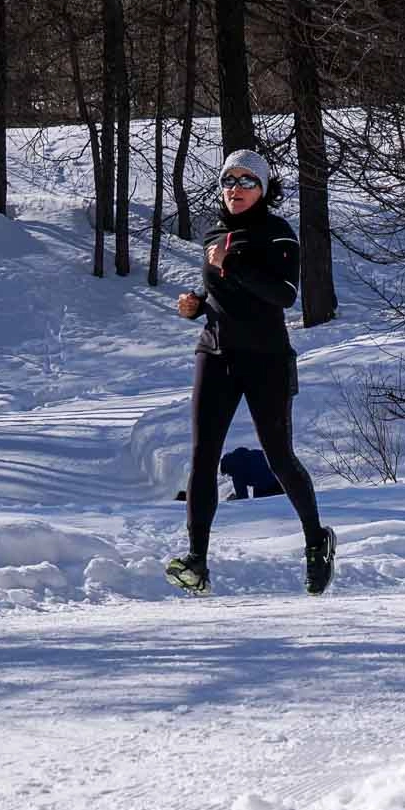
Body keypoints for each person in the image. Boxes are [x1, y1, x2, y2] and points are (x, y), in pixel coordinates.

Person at [165, 149, 335, 596]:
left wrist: (234, 265)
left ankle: (316, 541)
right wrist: (196, 305)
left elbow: (285, 295)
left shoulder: (278, 233)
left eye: (246, 181)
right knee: (203, 456)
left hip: (266, 359)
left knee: (278, 456)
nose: (235, 189)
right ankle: (197, 561)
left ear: (262, 189)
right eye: (229, 181)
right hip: (215, 353)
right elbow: (219, 293)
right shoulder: (214, 233)